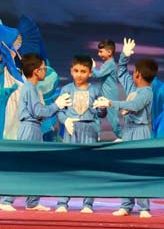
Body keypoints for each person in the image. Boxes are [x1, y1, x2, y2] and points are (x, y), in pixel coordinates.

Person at [0, 53, 72, 212]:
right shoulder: (29, 88)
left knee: (36, 166)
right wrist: (57, 105)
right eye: (43, 68)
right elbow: (38, 112)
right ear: (36, 71)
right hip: (29, 128)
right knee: (22, 165)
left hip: (35, 128)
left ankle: (32, 202)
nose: (45, 71)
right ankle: (6, 200)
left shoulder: (33, 88)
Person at [101, 38, 158, 218]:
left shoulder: (147, 92)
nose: (132, 74)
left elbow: (134, 105)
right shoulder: (132, 86)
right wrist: (124, 56)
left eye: (135, 72)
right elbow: (121, 72)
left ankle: (144, 208)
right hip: (129, 130)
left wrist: (111, 102)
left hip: (141, 131)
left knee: (140, 168)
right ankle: (126, 205)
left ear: (138, 74)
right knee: (126, 167)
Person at [55, 55, 104, 213]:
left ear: (90, 73)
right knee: (67, 167)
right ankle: (62, 202)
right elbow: (60, 111)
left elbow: (101, 113)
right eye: (76, 70)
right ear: (71, 71)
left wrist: (102, 108)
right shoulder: (66, 89)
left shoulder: (95, 90)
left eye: (83, 71)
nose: (79, 74)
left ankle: (88, 203)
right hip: (72, 130)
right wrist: (66, 121)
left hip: (89, 130)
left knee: (89, 167)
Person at [93, 39, 122, 139]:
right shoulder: (106, 63)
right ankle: (96, 135)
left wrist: (92, 67)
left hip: (110, 94)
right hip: (102, 93)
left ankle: (121, 136)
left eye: (101, 51)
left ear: (109, 52)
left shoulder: (110, 64)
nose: (99, 54)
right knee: (95, 113)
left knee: (112, 118)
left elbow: (98, 74)